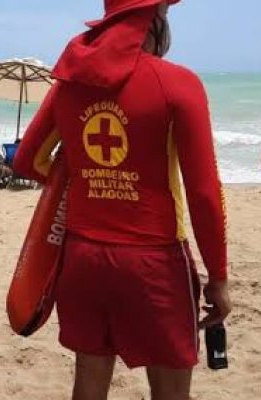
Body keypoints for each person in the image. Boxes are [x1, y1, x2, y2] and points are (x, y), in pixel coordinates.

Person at [13, 1, 231, 399]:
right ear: (155, 22)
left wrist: (87, 178)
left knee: (90, 382)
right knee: (170, 388)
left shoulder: (69, 82)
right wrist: (218, 278)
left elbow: (28, 160)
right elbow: (203, 193)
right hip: (156, 261)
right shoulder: (178, 83)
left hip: (82, 258)